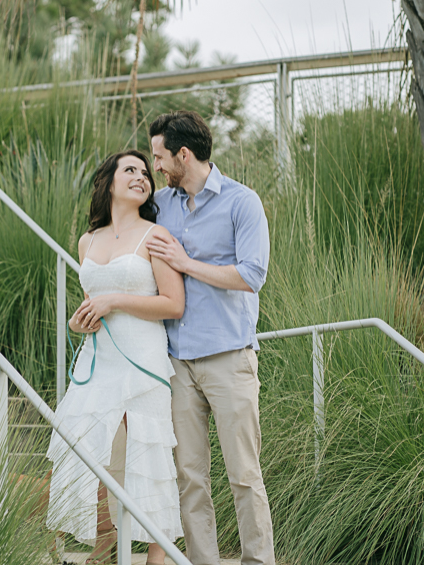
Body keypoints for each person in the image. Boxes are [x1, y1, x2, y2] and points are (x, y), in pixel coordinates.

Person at [146, 111, 274, 566]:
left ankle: (258, 566)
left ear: (184, 154)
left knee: (243, 474)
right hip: (177, 362)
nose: (156, 165)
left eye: (160, 156)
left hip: (229, 361)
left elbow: (251, 275)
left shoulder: (243, 202)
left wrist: (186, 262)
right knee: (190, 477)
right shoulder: (161, 204)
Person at [46, 150, 184, 565]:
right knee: (86, 447)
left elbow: (173, 304)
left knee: (147, 453)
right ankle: (105, 546)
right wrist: (80, 321)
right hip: (98, 358)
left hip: (142, 357)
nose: (142, 177)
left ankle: (156, 559)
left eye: (146, 173)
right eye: (131, 170)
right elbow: (93, 301)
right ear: (109, 182)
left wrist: (115, 301)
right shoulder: (88, 240)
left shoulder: (155, 236)